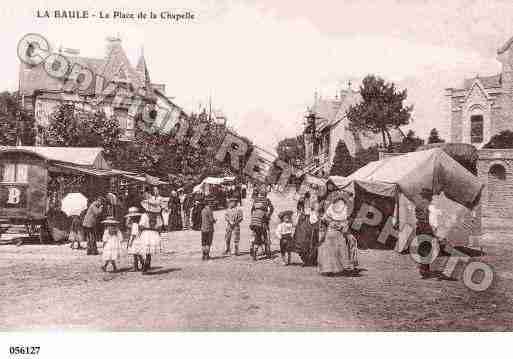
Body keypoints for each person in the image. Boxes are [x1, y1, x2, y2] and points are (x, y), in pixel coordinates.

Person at [317, 192, 356, 276]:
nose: (339, 202)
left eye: (341, 200)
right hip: (332, 230)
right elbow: (324, 218)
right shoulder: (332, 207)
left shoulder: (344, 208)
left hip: (340, 231)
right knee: (331, 249)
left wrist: (342, 226)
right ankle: (329, 268)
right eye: (338, 200)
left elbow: (346, 220)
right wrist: (332, 223)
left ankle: (339, 268)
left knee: (340, 248)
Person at [415, 188, 436, 279]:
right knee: (428, 249)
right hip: (427, 228)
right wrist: (435, 231)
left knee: (421, 247)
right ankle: (425, 270)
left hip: (419, 227)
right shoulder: (430, 206)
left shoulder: (418, 205)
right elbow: (433, 221)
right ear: (429, 197)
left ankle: (422, 268)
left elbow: (416, 216)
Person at [139, 198, 163, 273]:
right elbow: (160, 226)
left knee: (146, 249)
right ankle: (148, 262)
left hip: (146, 233)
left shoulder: (144, 215)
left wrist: (141, 230)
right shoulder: (157, 216)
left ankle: (146, 263)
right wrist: (158, 233)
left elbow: (141, 225)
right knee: (149, 250)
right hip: (154, 233)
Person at [126, 207, 143, 271]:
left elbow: (133, 234)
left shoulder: (134, 225)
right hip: (138, 239)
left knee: (135, 254)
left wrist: (130, 242)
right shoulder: (138, 224)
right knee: (138, 254)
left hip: (135, 240)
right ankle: (142, 264)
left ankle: (136, 267)